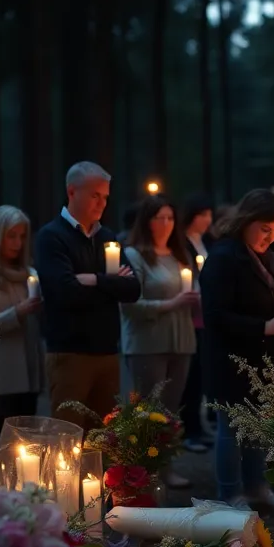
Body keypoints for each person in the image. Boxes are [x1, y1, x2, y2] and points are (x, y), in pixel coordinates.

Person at [200, 189, 274, 510]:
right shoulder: (224, 256)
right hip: (231, 359)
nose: (270, 238)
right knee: (232, 428)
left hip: (261, 357)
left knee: (259, 426)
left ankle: (257, 487)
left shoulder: (265, 255)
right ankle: (230, 495)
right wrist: (265, 327)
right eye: (264, 229)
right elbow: (215, 316)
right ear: (246, 221)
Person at [35, 161, 140, 432]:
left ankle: (100, 477)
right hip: (70, 352)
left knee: (105, 436)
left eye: (105, 196)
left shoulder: (108, 237)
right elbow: (66, 293)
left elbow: (133, 289)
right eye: (95, 195)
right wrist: (111, 284)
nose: (102, 203)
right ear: (72, 192)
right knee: (67, 433)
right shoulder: (51, 237)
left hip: (107, 350)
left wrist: (94, 280)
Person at [121, 195, 198, 488]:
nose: (165, 223)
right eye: (159, 217)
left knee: (170, 409)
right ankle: (144, 470)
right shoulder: (135, 255)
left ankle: (165, 467)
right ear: (147, 221)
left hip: (181, 340)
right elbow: (131, 305)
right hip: (147, 342)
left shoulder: (181, 255)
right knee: (148, 409)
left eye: (170, 217)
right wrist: (173, 302)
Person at [0, 205, 45, 464]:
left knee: (26, 448)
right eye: (11, 236)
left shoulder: (30, 273)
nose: (17, 243)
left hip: (28, 371)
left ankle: (23, 499)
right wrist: (18, 312)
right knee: (0, 446)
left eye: (22, 236)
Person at [179, 194, 215, 451]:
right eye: (203, 215)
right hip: (190, 312)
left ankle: (199, 426)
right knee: (189, 376)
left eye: (209, 215)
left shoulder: (206, 241)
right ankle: (188, 429)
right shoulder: (182, 242)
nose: (207, 220)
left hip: (205, 312)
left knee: (202, 372)